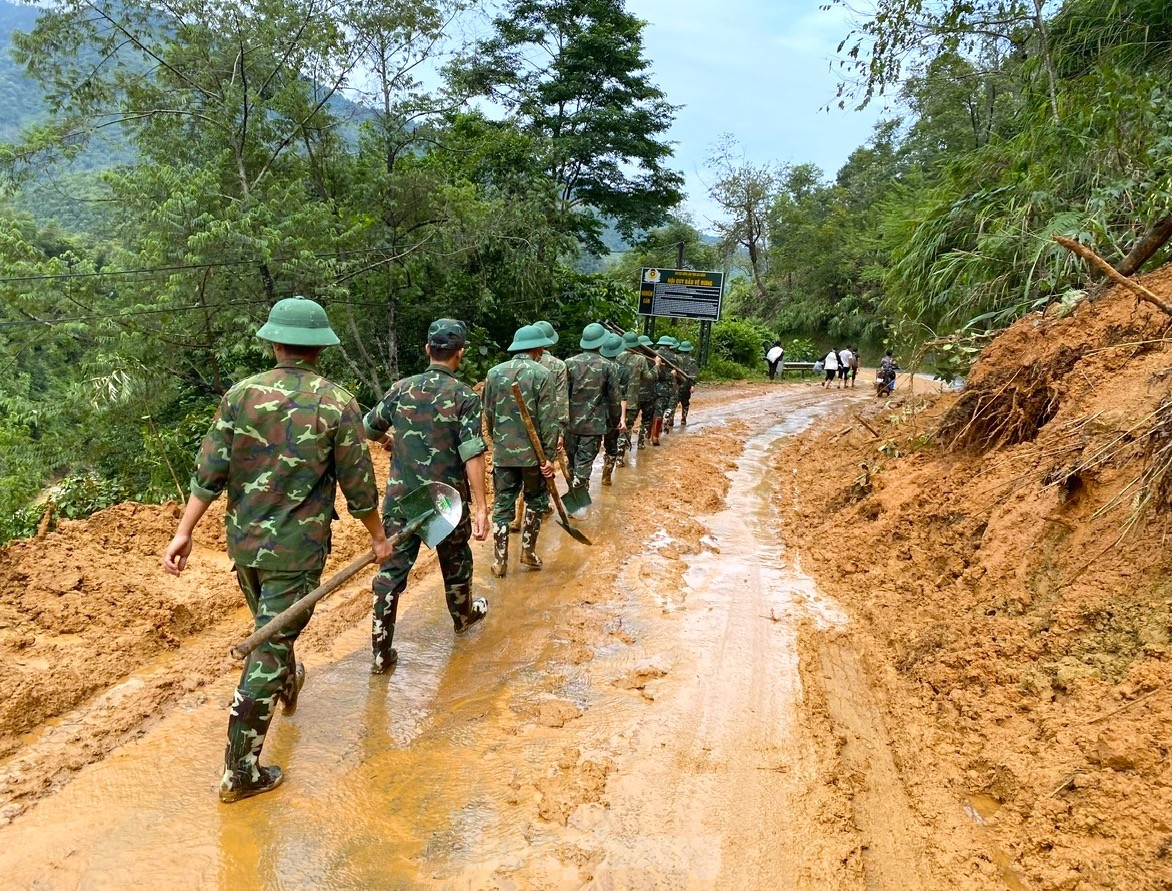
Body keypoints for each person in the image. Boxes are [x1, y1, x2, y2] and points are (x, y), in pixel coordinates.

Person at [162, 296, 392, 804]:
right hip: (296, 550)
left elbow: (209, 472)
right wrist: (378, 537)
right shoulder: (337, 403)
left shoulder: (240, 396)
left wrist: (184, 531)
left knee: (271, 631)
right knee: (267, 647)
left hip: (244, 545)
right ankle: (239, 773)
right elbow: (359, 487)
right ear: (320, 348)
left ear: (274, 342)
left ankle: (286, 679)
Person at [363, 319, 490, 675]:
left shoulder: (400, 389)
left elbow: (369, 426)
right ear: (460, 353)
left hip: (403, 500)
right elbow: (472, 452)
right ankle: (463, 617)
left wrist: (389, 441)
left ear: (427, 350)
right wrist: (481, 507)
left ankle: (380, 652)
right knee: (456, 563)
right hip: (446, 502)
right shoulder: (464, 396)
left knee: (391, 575)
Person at [483, 325, 558, 577]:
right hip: (533, 457)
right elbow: (549, 421)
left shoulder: (494, 374)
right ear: (537, 348)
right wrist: (550, 458)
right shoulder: (542, 374)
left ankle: (499, 560)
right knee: (536, 501)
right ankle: (528, 551)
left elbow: (489, 415)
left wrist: (498, 443)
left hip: (504, 454)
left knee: (502, 505)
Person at [507, 319, 569, 534]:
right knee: (537, 475)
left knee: (520, 475)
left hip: (514, 431)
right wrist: (559, 431)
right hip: (543, 427)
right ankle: (537, 510)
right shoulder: (557, 366)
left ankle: (517, 517)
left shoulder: (511, 367)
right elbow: (559, 402)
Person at [564, 322, 622, 492]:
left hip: (570, 424)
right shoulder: (608, 366)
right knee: (584, 464)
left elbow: (561, 396)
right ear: (601, 343)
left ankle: (574, 494)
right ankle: (578, 503)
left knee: (573, 462)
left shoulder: (569, 363)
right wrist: (615, 421)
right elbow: (614, 399)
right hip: (594, 426)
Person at [615, 331, 655, 464]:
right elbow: (648, 377)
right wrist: (657, 367)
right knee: (627, 426)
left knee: (618, 426)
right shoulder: (640, 359)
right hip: (631, 399)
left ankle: (618, 453)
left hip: (616, 399)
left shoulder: (617, 356)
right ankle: (620, 455)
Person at [599, 333, 629, 485]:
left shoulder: (597, 365)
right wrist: (622, 419)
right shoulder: (623, 370)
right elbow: (622, 397)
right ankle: (606, 475)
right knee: (611, 445)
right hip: (613, 414)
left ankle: (582, 481)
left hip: (595, 415)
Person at [653, 335, 679, 443]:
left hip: (653, 387)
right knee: (665, 408)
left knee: (654, 412)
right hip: (667, 388)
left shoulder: (653, 353)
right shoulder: (675, 358)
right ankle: (657, 435)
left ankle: (651, 435)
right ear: (670, 345)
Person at [636, 334, 661, 449]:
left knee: (629, 421)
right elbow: (655, 376)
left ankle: (623, 446)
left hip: (633, 395)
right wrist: (657, 366)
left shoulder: (630, 358)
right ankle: (641, 441)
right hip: (648, 395)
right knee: (646, 419)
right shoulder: (653, 359)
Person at [675, 340, 699, 426]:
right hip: (686, 385)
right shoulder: (692, 360)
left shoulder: (676, 358)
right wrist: (692, 385)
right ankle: (683, 419)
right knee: (685, 403)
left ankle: (670, 420)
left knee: (673, 403)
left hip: (675, 384)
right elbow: (693, 375)